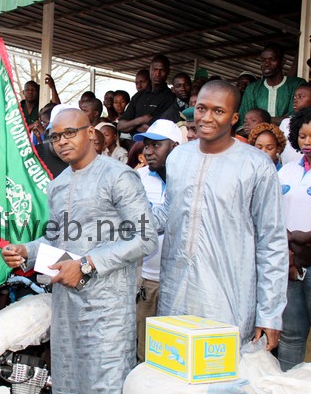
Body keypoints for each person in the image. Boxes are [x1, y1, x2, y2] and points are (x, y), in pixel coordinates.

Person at [1, 108, 158, 393]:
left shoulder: (118, 176)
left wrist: (87, 264)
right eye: (55, 137)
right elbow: (54, 241)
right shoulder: (57, 185)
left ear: (89, 133)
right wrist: (25, 250)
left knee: (105, 384)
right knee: (68, 383)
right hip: (66, 309)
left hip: (107, 310)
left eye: (69, 133)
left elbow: (145, 238)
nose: (61, 141)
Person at [153, 80, 289, 349]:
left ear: (234, 118)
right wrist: (119, 223)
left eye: (218, 111)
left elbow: (271, 242)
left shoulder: (256, 165)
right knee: (172, 377)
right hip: (175, 293)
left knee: (221, 384)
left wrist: (270, 313)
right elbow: (169, 211)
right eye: (202, 108)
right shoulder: (178, 157)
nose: (207, 117)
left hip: (227, 299)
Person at [131, 119, 183, 362]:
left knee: (175, 353)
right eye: (146, 145)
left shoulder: (188, 180)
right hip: (148, 278)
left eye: (156, 145)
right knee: (145, 351)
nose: (148, 151)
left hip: (182, 282)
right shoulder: (137, 179)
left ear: (175, 146)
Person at [276, 107, 311, 371]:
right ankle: (287, 382)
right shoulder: (286, 171)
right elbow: (270, 212)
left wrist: (302, 237)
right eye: (302, 136)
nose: (307, 142)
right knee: (291, 333)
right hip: (288, 263)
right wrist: (288, 246)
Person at [239, 43, 306, 126]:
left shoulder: (296, 85)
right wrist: (280, 119)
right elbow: (243, 123)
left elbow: (295, 119)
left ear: (282, 62)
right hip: (256, 138)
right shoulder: (252, 89)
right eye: (263, 60)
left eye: (272, 59)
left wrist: (259, 120)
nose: (266, 64)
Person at [118, 55, 177, 135]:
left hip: (154, 145)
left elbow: (155, 129)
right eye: (155, 70)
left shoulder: (170, 97)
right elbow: (121, 126)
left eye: (161, 70)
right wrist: (141, 120)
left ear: (168, 72)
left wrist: (132, 125)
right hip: (132, 144)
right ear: (150, 70)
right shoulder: (138, 96)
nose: (157, 74)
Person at [280, 83, 311, 164]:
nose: (295, 100)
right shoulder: (285, 123)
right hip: (290, 171)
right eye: (295, 97)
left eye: (301, 97)